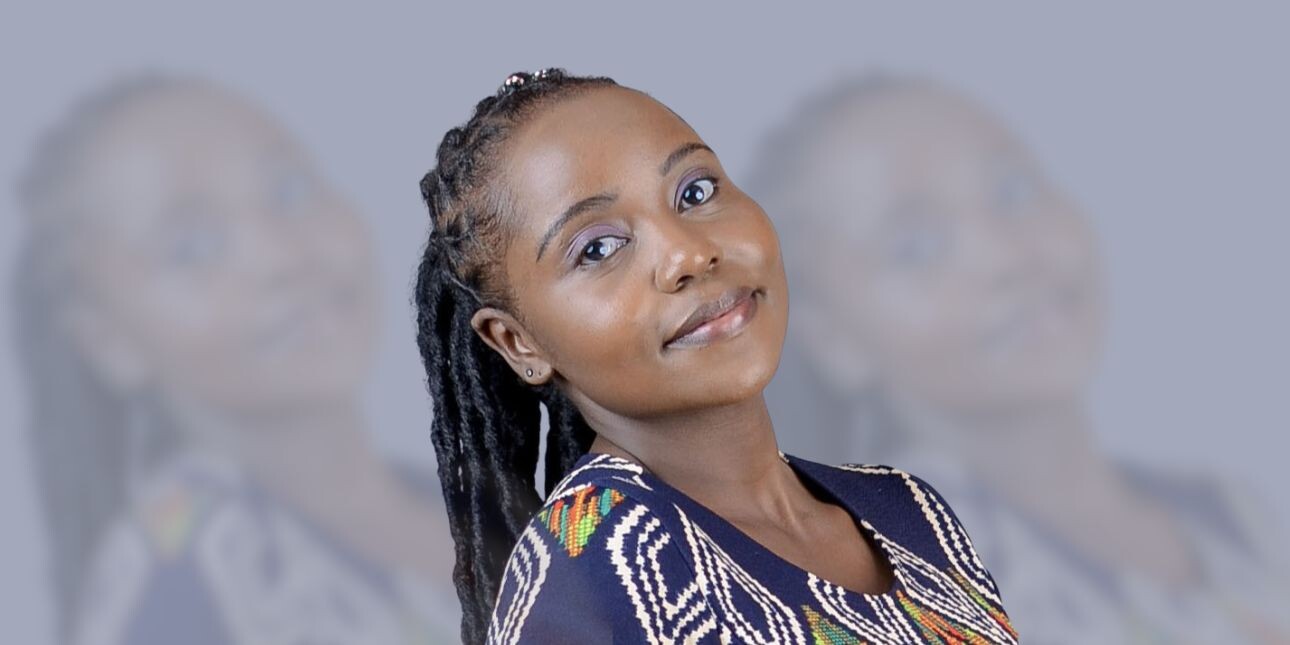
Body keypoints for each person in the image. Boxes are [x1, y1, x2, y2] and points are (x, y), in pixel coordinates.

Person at [412, 68, 1018, 645]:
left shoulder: (908, 511)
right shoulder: (591, 566)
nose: (689, 254)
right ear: (520, 342)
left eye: (694, 191)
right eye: (597, 248)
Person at [752, 74, 1290, 643]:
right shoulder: (901, 576)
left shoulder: (1237, 514)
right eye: (917, 247)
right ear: (835, 337)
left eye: (1013, 191)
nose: (1007, 257)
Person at [14, 74, 461, 644]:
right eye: (193, 247)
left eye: (290, 191)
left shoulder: (491, 500)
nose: (282, 257)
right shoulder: (174, 595)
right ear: (107, 339)